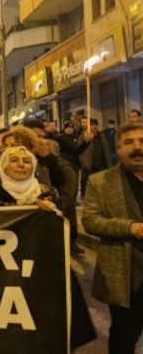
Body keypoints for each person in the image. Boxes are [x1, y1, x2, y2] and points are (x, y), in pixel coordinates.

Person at [0, 145, 96, 349]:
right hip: (4, 274)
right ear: (3, 166)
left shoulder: (47, 193)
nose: (21, 165)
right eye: (14, 160)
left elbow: (65, 232)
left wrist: (52, 212)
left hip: (43, 271)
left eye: (26, 161)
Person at [83, 123, 143, 353]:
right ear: (118, 149)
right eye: (129, 142)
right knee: (124, 335)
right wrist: (129, 228)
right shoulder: (100, 181)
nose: (137, 147)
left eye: (142, 141)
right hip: (124, 274)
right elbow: (90, 219)